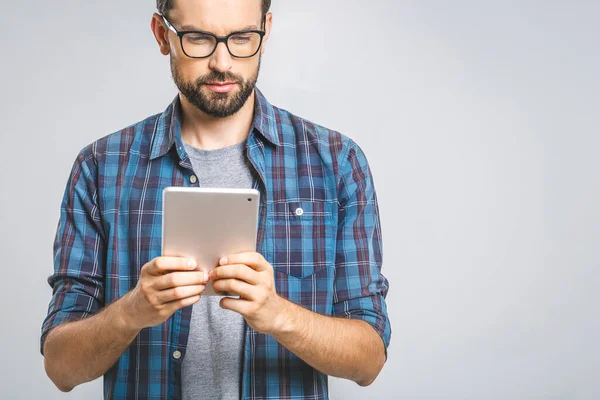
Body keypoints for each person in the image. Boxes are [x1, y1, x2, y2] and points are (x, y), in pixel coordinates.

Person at [40, 0, 391, 399]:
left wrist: (279, 315)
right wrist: (131, 312)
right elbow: (60, 367)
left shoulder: (336, 162)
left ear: (266, 30)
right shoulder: (101, 167)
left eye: (242, 38)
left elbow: (369, 360)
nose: (222, 62)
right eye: (199, 39)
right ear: (161, 34)